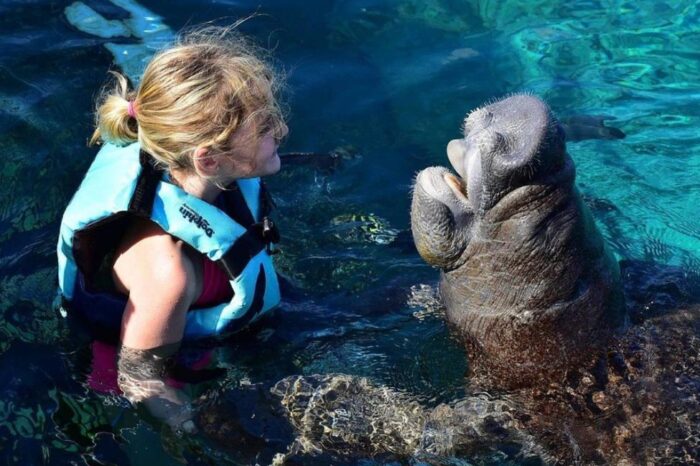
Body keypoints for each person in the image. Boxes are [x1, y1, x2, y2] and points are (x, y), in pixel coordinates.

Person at [57, 27, 288, 431]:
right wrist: (196, 426)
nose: (281, 131)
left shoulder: (211, 182)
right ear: (209, 161)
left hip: (221, 323)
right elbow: (139, 378)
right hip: (174, 371)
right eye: (266, 125)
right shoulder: (168, 275)